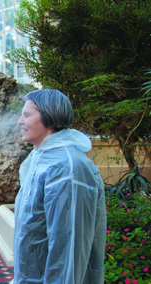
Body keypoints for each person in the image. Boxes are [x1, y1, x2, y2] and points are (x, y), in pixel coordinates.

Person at [12, 89, 107, 283]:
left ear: (50, 118)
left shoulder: (67, 168)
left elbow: (69, 249)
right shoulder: (42, 158)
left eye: (27, 115)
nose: (20, 121)